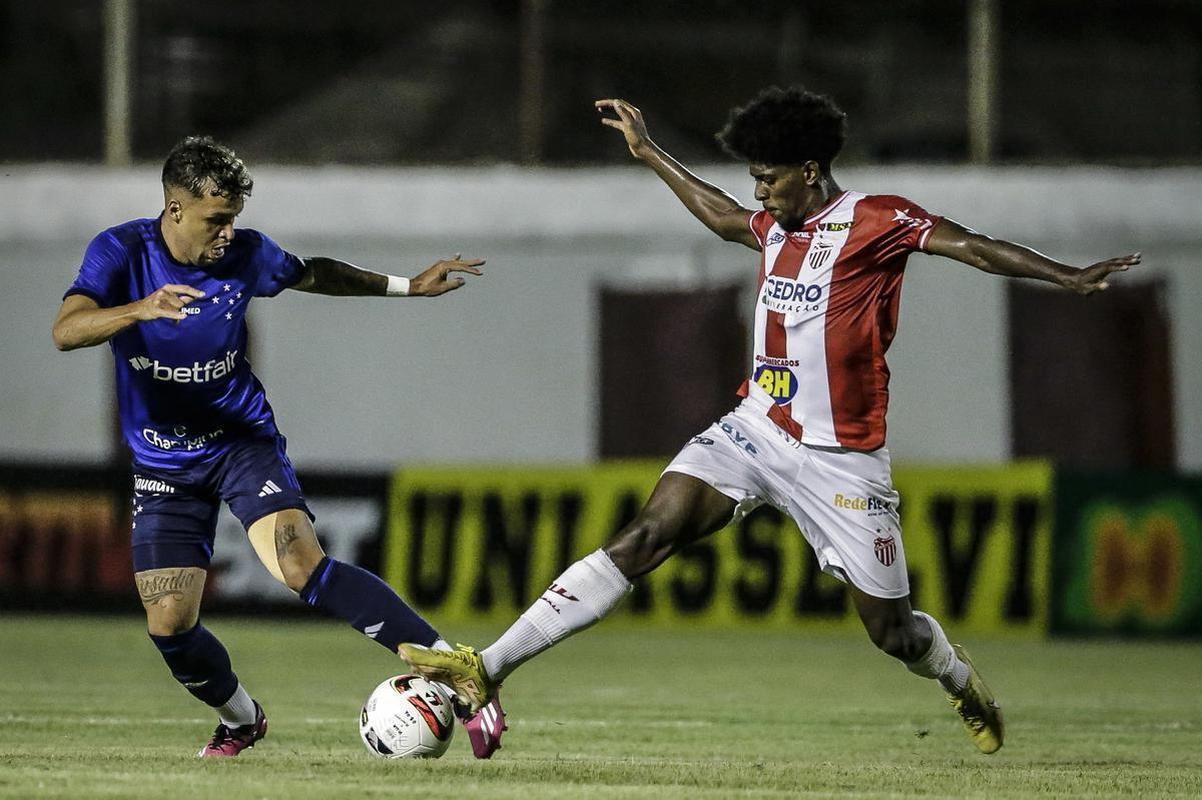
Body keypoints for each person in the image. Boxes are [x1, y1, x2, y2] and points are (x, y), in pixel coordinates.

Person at [401, 88, 1142, 755]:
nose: (759, 191)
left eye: (770, 177)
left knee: (894, 633)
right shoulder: (774, 226)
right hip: (755, 430)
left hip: (841, 460)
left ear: (811, 169)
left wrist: (1064, 276)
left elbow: (973, 247)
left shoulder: (874, 220)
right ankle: (487, 667)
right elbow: (722, 214)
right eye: (755, 177)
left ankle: (956, 679)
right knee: (646, 534)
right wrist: (651, 152)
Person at [52, 136, 507, 759]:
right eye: (216, 220)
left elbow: (314, 272)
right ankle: (241, 719)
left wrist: (407, 286)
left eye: (234, 219)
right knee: (169, 624)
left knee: (299, 565)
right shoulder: (121, 251)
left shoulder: (246, 255)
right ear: (174, 207)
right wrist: (138, 310)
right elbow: (66, 329)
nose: (227, 234)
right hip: (163, 464)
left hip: (242, 444)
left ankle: (455, 672)